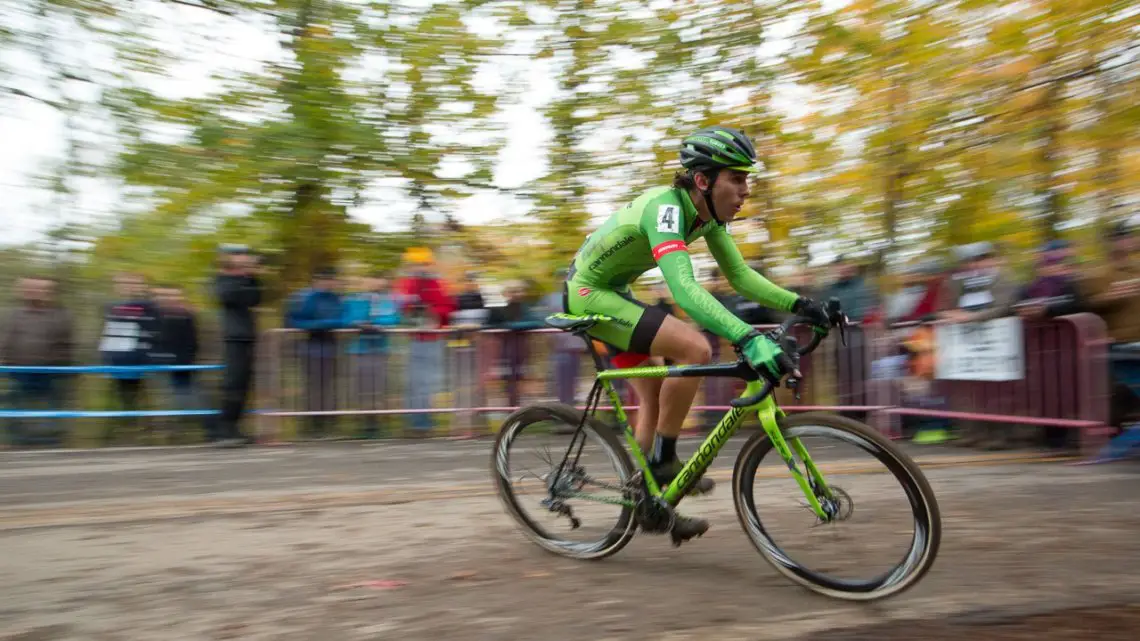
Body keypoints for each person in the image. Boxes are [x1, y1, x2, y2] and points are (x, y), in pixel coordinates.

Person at [562, 125, 830, 542]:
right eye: (737, 179)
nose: (746, 191)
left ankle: (649, 501)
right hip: (588, 295)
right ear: (703, 180)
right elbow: (684, 290)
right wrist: (747, 337)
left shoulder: (706, 218)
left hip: (614, 293)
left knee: (653, 397)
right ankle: (664, 462)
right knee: (695, 348)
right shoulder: (665, 209)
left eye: (747, 180)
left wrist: (801, 304)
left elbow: (740, 276)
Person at [214, 245, 263, 446]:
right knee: (232, 384)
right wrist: (239, 274)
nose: (243, 259)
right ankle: (223, 430)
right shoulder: (222, 280)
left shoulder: (245, 280)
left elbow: (255, 298)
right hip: (233, 338)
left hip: (247, 337)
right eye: (238, 256)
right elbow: (228, 297)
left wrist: (250, 276)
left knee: (243, 385)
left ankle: (234, 429)